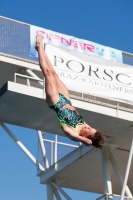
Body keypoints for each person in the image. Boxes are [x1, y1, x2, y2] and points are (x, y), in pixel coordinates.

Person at [35, 35, 108, 149]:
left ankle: (39, 47)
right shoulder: (85, 127)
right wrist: (75, 110)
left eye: (89, 130)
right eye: (91, 127)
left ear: (85, 137)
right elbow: (78, 118)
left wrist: (86, 141)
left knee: (48, 74)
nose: (88, 127)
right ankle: (40, 49)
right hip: (66, 99)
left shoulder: (73, 134)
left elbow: (86, 142)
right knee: (54, 73)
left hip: (55, 103)